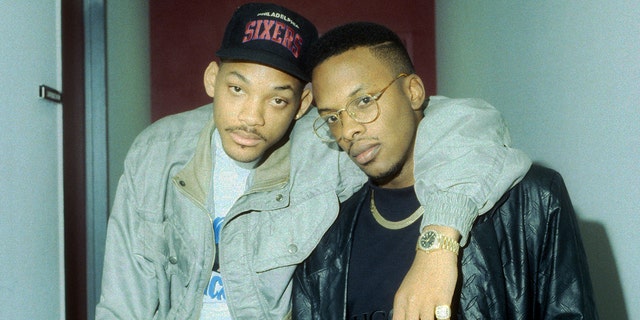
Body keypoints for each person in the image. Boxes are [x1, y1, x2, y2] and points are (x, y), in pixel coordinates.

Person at [95, 4, 531, 319]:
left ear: (302, 103)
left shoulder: (326, 145)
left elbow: (466, 122)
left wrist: (437, 246)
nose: (252, 116)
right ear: (213, 79)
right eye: (237, 89)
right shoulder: (157, 152)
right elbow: (123, 298)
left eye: (278, 98)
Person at [292, 21, 598, 320]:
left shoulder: (531, 200)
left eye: (363, 101)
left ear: (413, 91)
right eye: (332, 118)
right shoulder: (323, 236)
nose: (348, 131)